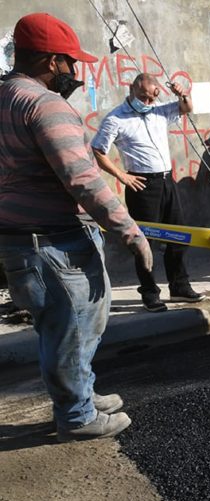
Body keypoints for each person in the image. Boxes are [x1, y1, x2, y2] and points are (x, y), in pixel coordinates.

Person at [0, 13, 153, 441]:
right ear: (50, 61)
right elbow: (82, 177)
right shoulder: (45, 104)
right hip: (55, 242)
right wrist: (129, 231)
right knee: (73, 327)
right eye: (70, 62)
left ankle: (78, 394)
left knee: (61, 328)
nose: (74, 72)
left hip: (20, 240)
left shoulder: (4, 99)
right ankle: (77, 415)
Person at [92, 72, 204, 313]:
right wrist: (121, 175)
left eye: (152, 98)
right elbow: (98, 150)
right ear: (132, 90)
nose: (147, 103)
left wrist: (181, 93)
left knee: (179, 235)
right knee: (144, 241)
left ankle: (179, 285)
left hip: (167, 181)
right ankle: (150, 292)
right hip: (143, 185)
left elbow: (187, 108)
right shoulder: (116, 118)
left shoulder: (159, 111)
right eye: (143, 97)